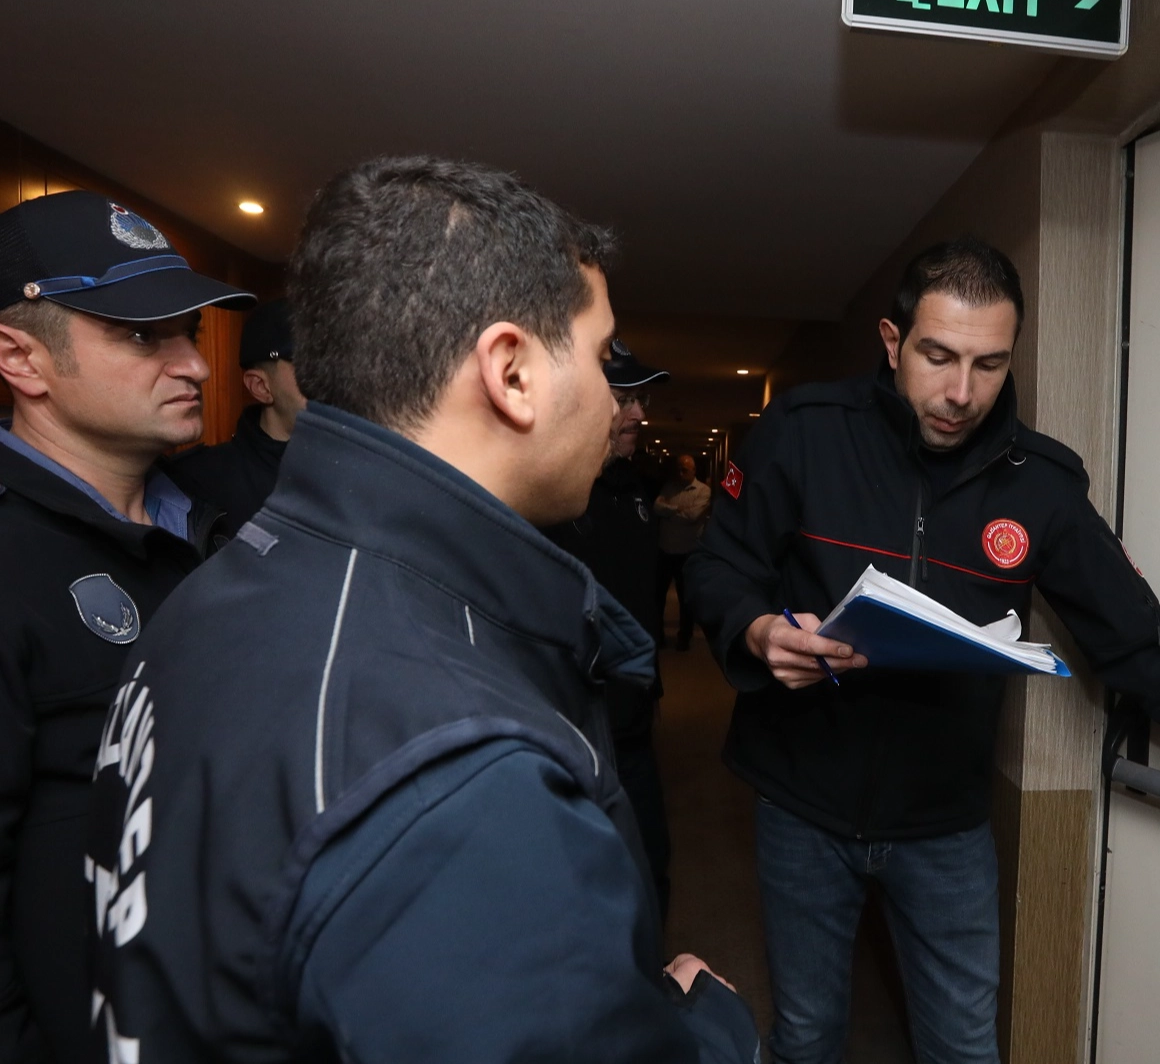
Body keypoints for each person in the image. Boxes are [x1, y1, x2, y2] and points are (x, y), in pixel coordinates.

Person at [86, 156, 757, 1064]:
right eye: (601, 359)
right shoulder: (465, 779)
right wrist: (702, 1032)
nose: (614, 400)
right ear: (511, 371)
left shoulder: (227, 580)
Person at [684, 237, 1160, 1064]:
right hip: (798, 799)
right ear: (891, 342)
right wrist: (756, 629)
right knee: (807, 1037)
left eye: (988, 365)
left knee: (964, 1047)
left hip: (943, 821)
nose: (959, 394)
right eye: (936, 356)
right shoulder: (803, 433)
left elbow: (1152, 650)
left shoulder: (1041, 486)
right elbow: (718, 568)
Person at [0, 189, 255, 1064]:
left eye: (189, 332)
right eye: (144, 336)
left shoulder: (222, 530)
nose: (195, 365)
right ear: (22, 360)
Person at [542, 338, 674, 916]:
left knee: (650, 870)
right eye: (623, 399)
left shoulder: (635, 491)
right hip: (571, 731)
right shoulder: (551, 498)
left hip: (632, 726)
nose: (639, 414)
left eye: (640, 399)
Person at [167, 299, 305, 539]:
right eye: (310, 364)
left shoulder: (368, 469)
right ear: (260, 387)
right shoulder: (194, 485)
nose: (332, 378)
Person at [655, 453, 711, 650]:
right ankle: (657, 635)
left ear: (694, 471)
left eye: (685, 470)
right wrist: (679, 510)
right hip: (664, 550)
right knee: (658, 597)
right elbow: (656, 507)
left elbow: (693, 516)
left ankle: (684, 637)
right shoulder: (669, 487)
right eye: (678, 469)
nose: (680, 473)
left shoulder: (703, 491)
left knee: (685, 599)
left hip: (687, 552)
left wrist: (669, 511)